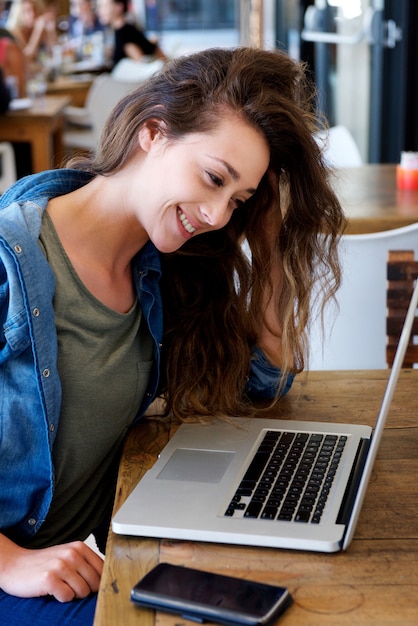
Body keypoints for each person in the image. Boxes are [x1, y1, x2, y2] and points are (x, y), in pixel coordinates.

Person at [0, 46, 346, 625]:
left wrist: (267, 244)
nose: (216, 214)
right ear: (153, 132)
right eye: (213, 178)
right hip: (26, 578)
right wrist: (9, 562)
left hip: (100, 552)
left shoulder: (161, 264)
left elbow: (265, 382)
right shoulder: (12, 259)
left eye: (237, 200)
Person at [97, 0, 166, 67]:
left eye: (104, 6)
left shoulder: (124, 33)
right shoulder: (123, 30)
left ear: (119, 7)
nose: (100, 11)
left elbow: (141, 64)